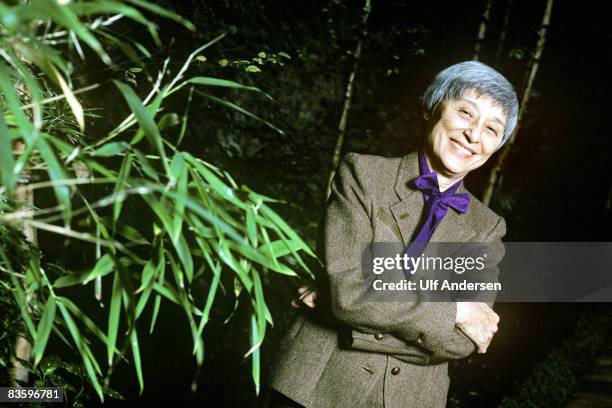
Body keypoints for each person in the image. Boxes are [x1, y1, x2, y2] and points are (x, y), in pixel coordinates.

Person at [266, 61, 518, 408]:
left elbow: (461, 343)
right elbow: (351, 292)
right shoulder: (363, 176)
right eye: (465, 113)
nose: (474, 135)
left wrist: (334, 310)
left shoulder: (487, 228)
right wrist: (455, 310)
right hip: (314, 388)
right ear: (431, 108)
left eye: (492, 129)